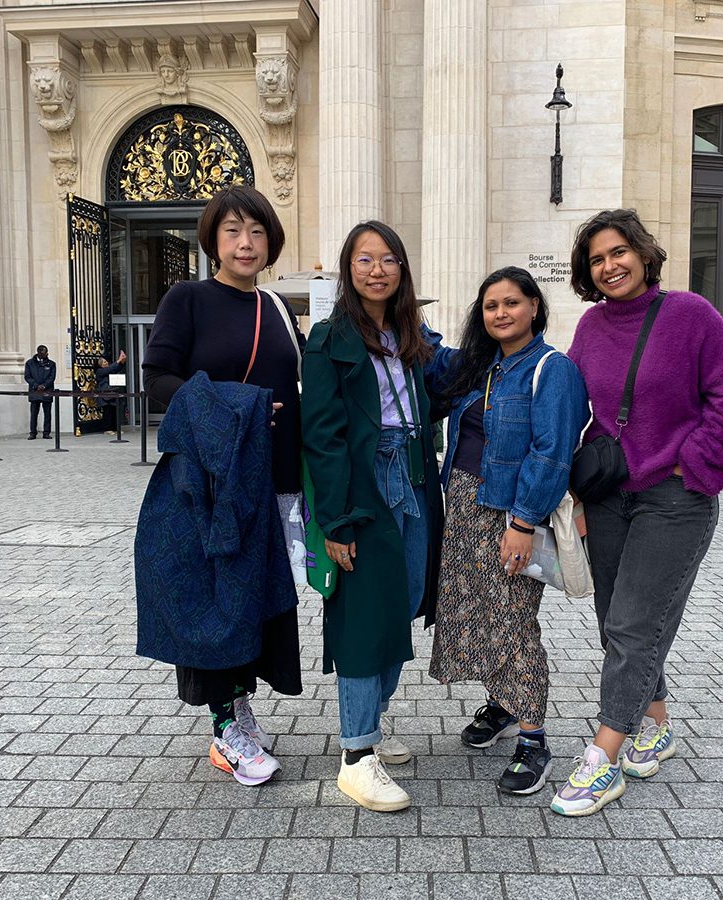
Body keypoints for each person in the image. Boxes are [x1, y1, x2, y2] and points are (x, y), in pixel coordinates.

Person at [552, 209, 723, 816]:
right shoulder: (589, 327)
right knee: (617, 619)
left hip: (675, 498)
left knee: (636, 623)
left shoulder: (690, 315)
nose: (609, 265)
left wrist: (693, 467)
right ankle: (655, 723)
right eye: (596, 259)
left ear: (642, 254)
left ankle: (602, 758)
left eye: (618, 253)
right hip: (612, 497)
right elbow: (570, 405)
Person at [138, 184, 304, 787]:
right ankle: (227, 727)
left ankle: (239, 711)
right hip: (211, 481)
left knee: (258, 600)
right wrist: (237, 409)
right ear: (212, 239)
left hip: (275, 481)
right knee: (221, 598)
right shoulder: (189, 299)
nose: (245, 242)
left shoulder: (279, 309)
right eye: (233, 230)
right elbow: (156, 378)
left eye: (257, 232)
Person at [423, 266, 588, 796]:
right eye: (491, 305)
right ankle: (502, 703)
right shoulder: (480, 367)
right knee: (477, 610)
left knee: (514, 620)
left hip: (512, 512)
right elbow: (427, 359)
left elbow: (551, 452)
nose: (500, 313)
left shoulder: (551, 369)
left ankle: (534, 740)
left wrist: (521, 522)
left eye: (511, 303)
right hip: (465, 508)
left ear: (534, 307)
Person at [302, 221, 444, 813]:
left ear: (402, 269)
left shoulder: (414, 335)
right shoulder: (329, 337)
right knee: (363, 617)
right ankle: (357, 755)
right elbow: (322, 435)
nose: (377, 270)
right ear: (348, 269)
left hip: (415, 476)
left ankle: (372, 728)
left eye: (388, 259)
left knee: (405, 603)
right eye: (364, 260)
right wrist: (335, 521)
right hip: (365, 486)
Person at [24, 345, 56, 440]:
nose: (46, 354)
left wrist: (44, 385)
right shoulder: (29, 363)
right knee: (34, 413)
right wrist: (35, 385)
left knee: (47, 413)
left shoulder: (51, 364)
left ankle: (46, 432)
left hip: (47, 391)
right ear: (39, 353)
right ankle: (33, 432)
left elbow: (52, 377)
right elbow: (27, 376)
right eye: (44, 353)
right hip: (35, 391)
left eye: (46, 352)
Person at [95, 350, 127, 433]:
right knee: (107, 412)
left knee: (114, 411)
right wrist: (118, 360)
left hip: (111, 394)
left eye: (106, 362)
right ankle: (107, 429)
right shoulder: (100, 371)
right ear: (100, 365)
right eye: (104, 362)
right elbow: (110, 369)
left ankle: (115, 429)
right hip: (104, 395)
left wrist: (122, 362)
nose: (106, 363)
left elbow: (114, 368)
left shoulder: (109, 369)